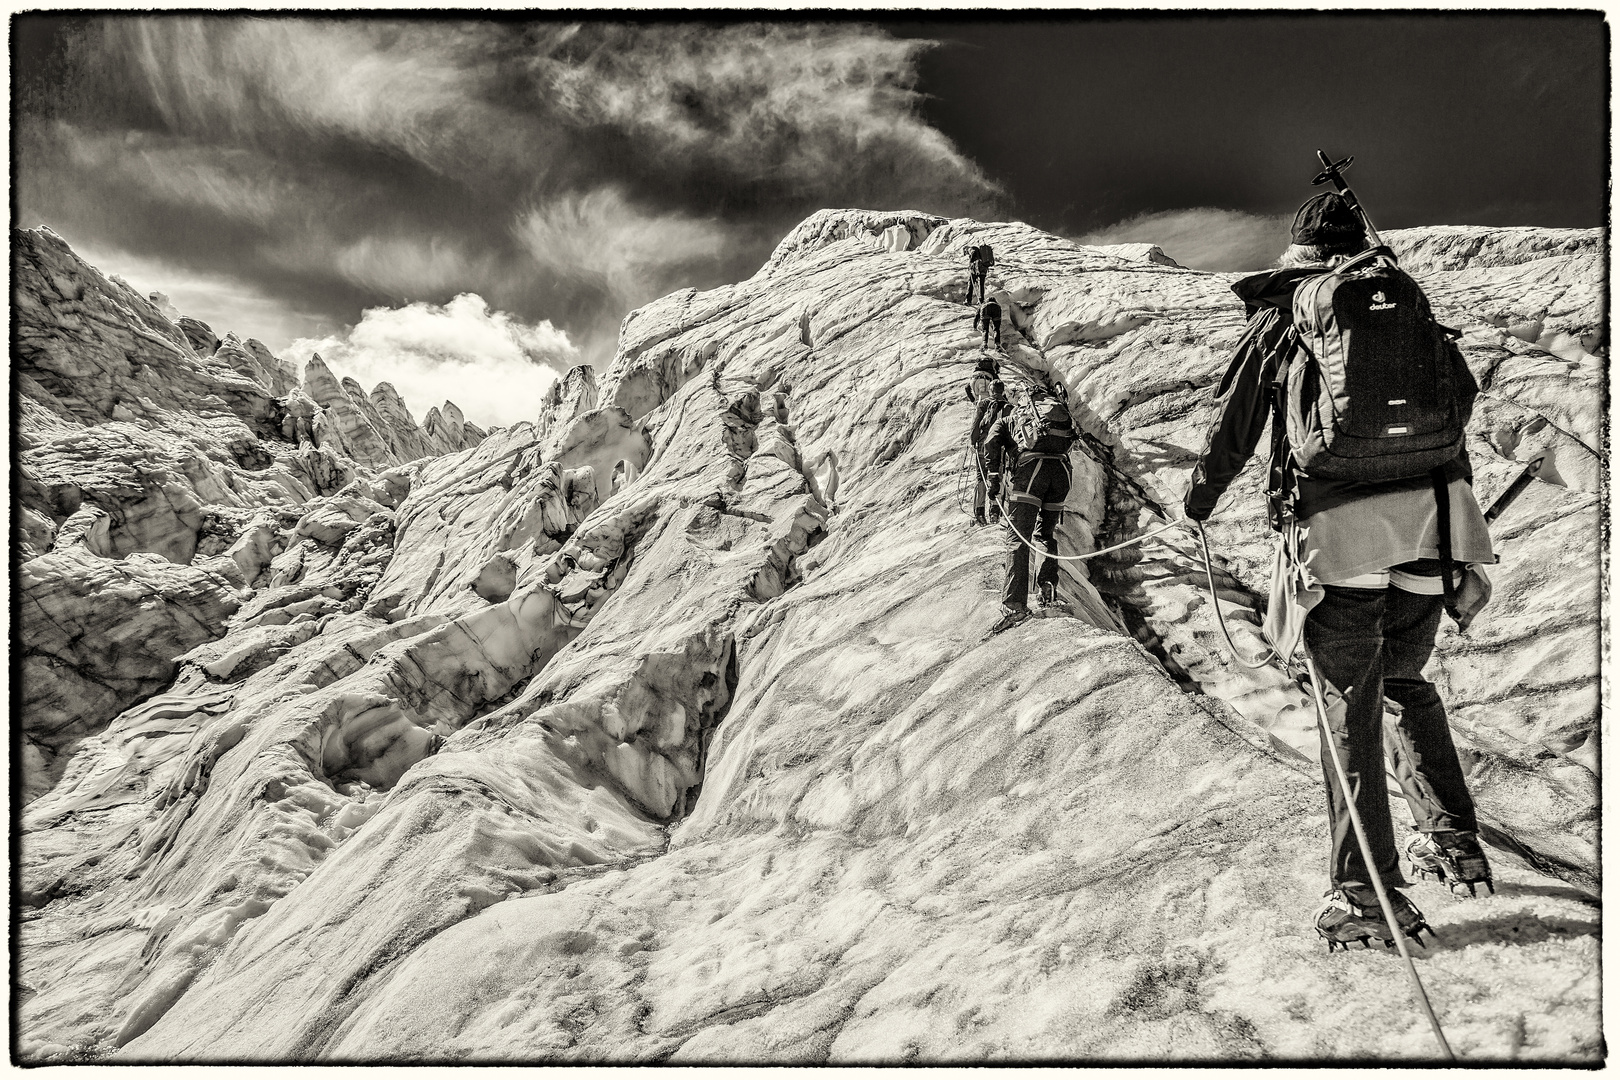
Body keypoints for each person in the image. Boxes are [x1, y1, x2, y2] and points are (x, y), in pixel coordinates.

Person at [1182, 190, 1496, 948]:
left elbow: (1237, 424)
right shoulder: (1403, 305)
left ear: (1299, 252)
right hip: (1435, 528)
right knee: (1405, 682)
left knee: (1349, 704)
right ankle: (1454, 843)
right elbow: (1457, 403)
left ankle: (1366, 894)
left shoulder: (1289, 313)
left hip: (1341, 539)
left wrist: (1200, 498)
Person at [984, 388, 1076, 632]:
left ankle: (1015, 606)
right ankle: (1047, 590)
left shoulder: (1010, 419)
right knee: (1044, 534)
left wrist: (993, 480)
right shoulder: (1052, 421)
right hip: (1061, 473)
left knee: (1018, 537)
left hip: (1031, 473)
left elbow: (990, 442)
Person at [970, 379, 1010, 526]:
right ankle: (995, 512)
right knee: (998, 477)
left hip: (983, 445)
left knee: (981, 477)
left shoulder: (984, 404)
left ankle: (979, 513)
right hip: (1000, 447)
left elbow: (976, 425)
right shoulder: (1009, 407)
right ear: (1003, 391)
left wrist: (973, 441)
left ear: (991, 391)